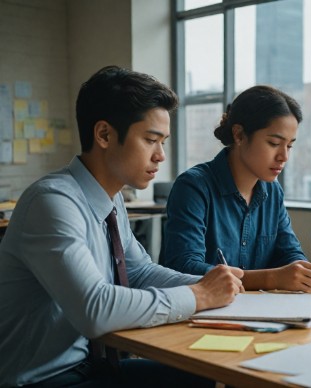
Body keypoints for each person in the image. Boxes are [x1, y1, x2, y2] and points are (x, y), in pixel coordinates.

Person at [0, 66, 243, 387]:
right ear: (104, 135)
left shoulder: (111, 199)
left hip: (88, 367)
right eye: (150, 140)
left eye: (163, 142)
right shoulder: (52, 202)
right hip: (42, 379)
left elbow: (139, 272)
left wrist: (212, 284)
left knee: (205, 376)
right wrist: (199, 295)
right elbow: (95, 309)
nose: (160, 156)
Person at [162, 85, 311, 292]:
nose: (284, 157)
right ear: (239, 135)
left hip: (261, 313)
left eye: (289, 146)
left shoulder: (272, 191)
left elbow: (289, 252)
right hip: (204, 313)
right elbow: (184, 267)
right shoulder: (194, 187)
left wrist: (304, 271)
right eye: (274, 143)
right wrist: (270, 279)